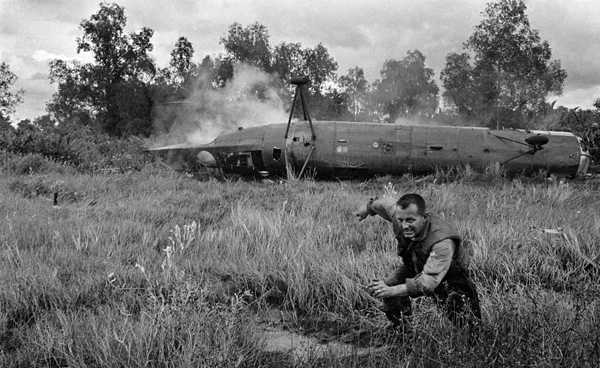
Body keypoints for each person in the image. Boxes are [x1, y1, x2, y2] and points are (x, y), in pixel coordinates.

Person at [355, 193, 481, 328]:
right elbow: (384, 205)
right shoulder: (400, 215)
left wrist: (391, 291)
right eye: (401, 220)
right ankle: (402, 331)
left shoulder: (442, 242)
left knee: (464, 319)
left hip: (449, 276)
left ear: (424, 218)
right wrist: (367, 208)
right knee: (391, 284)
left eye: (410, 220)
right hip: (416, 263)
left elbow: (428, 282)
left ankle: (472, 341)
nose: (404, 226)